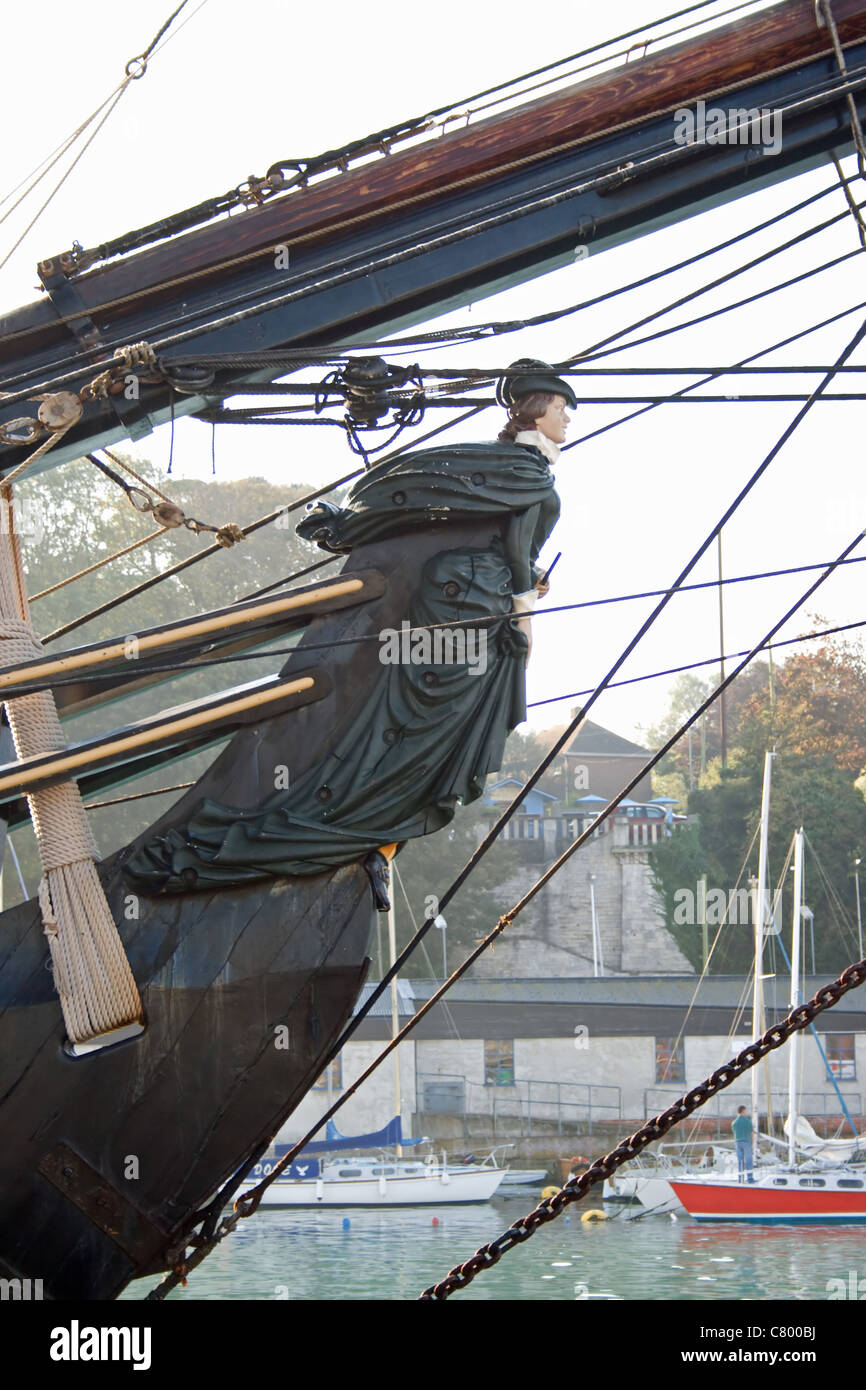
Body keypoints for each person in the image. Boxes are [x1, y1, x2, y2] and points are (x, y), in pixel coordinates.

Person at [732, 1105, 754, 1183]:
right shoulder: (748, 1121)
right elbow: (751, 1133)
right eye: (745, 1111)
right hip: (747, 1142)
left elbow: (734, 1132)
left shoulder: (734, 1122)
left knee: (740, 1162)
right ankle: (750, 1179)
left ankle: (740, 1179)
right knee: (748, 1161)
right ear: (743, 1111)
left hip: (738, 1142)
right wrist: (753, 1143)